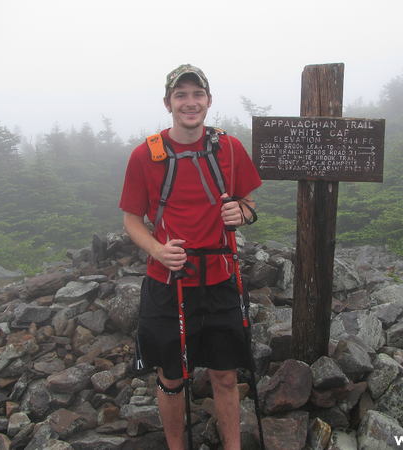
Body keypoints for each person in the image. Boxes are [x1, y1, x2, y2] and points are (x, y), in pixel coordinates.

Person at [119, 64, 262, 450]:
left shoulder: (229, 148)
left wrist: (241, 213)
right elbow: (132, 220)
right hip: (168, 282)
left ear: (209, 101)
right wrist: (158, 251)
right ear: (168, 103)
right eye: (181, 95)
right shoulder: (144, 156)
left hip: (220, 277)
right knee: (171, 378)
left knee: (226, 375)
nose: (190, 102)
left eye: (197, 94)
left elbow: (248, 204)